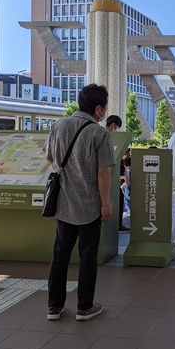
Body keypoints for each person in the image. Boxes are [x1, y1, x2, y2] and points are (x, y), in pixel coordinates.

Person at [45, 84, 115, 322]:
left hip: (63, 203)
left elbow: (50, 157)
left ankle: (54, 306)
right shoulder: (100, 133)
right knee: (87, 256)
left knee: (60, 255)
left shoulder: (58, 125)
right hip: (89, 206)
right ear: (98, 109)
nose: (105, 112)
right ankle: (85, 307)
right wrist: (106, 203)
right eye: (104, 108)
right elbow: (104, 173)